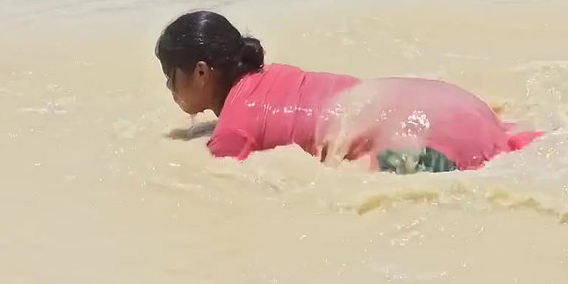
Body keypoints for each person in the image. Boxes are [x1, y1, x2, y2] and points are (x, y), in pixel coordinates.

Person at [154, 10, 544, 174]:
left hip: (422, 146)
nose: (169, 88)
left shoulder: (234, 131)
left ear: (201, 73)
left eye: (171, 76)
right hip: (452, 106)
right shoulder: (276, 75)